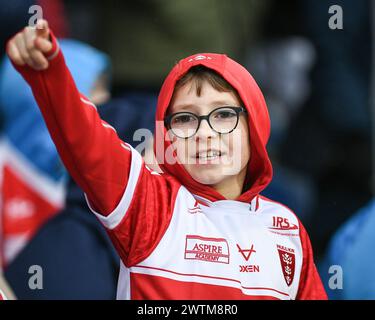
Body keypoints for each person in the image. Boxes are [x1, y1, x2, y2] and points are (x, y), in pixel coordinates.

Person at [6, 19, 327, 300]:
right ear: (166, 138)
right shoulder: (149, 206)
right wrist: (49, 72)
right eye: (185, 119)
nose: (205, 131)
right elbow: (84, 140)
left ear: (255, 125)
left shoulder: (287, 228)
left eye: (224, 114)